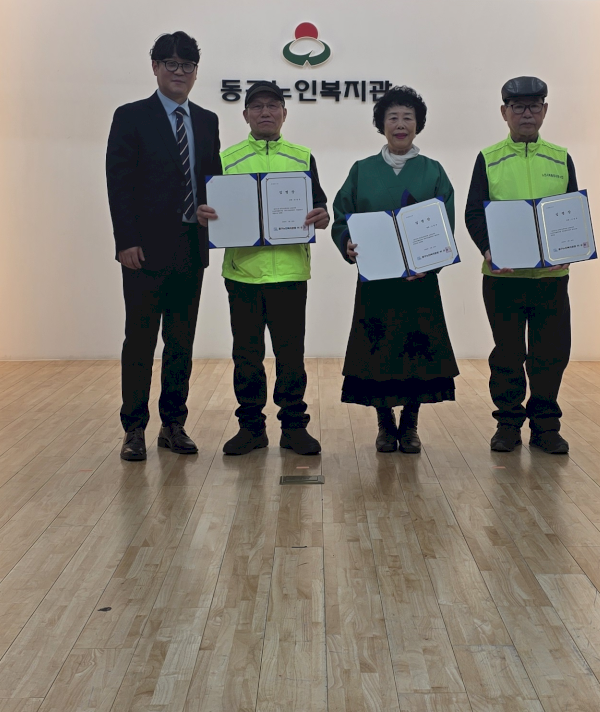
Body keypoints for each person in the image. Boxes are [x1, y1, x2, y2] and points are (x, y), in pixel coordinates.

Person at [104, 31, 223, 462]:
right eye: (170, 63)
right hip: (144, 252)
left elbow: (213, 180)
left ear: (196, 72)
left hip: (191, 247)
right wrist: (125, 241)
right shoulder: (131, 116)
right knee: (139, 342)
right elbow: (118, 183)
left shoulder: (207, 120)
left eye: (187, 65)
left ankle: (173, 424)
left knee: (180, 343)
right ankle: (134, 428)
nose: (179, 72)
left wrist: (215, 208)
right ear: (155, 67)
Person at [331, 85, 459, 455]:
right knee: (379, 353)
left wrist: (430, 264)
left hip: (419, 283)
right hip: (377, 282)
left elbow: (445, 226)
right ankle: (385, 424)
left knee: (417, 353)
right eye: (393, 117)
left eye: (407, 117)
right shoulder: (362, 170)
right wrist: (346, 242)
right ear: (381, 124)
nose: (400, 124)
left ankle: (411, 424)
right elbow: (341, 218)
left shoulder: (433, 171)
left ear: (418, 124)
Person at [463, 76, 577, 455]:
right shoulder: (488, 158)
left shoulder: (560, 158)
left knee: (550, 355)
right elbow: (473, 213)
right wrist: (488, 248)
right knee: (508, 355)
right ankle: (508, 424)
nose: (526, 113)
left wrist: (571, 244)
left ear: (544, 111)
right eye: (518, 107)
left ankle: (546, 427)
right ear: (504, 112)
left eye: (534, 106)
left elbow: (571, 212)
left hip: (551, 278)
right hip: (503, 278)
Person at [218, 81, 332, 456]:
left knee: (291, 356)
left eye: (273, 105)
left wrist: (322, 216)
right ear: (245, 114)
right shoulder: (226, 160)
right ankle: (251, 428)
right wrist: (208, 215)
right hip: (243, 274)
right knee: (246, 357)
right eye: (257, 106)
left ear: (284, 113)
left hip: (289, 274)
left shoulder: (302, 157)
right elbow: (213, 209)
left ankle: (294, 428)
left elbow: (320, 206)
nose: (265, 112)